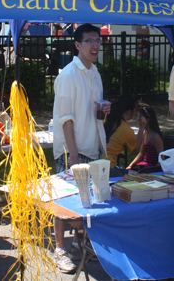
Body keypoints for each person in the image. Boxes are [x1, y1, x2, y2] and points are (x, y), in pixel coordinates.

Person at [52, 23, 110, 273]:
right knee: (63, 202)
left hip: (93, 146)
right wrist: (73, 155)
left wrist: (104, 111)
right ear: (77, 45)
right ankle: (60, 249)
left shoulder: (95, 72)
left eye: (98, 40)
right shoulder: (68, 75)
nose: (95, 45)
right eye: (89, 41)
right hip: (71, 150)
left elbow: (93, 112)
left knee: (86, 202)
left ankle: (78, 244)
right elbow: (65, 118)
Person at [104, 94, 147, 176]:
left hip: (94, 163)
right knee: (137, 175)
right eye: (136, 110)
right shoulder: (126, 130)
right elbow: (135, 149)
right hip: (108, 168)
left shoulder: (106, 119)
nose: (135, 113)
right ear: (129, 112)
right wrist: (142, 128)